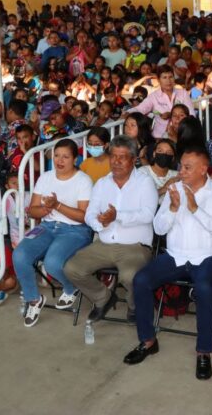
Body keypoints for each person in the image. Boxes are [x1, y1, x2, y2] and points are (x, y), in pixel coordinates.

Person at [123, 147, 212, 381]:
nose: (181, 171)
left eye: (187, 167)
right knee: (140, 280)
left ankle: (204, 351)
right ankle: (148, 340)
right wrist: (172, 208)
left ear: (204, 169)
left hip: (208, 256)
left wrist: (194, 208)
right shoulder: (174, 189)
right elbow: (159, 228)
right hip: (176, 255)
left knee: (204, 288)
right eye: (181, 165)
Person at [64, 135, 158, 324]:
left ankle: (134, 307)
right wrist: (100, 223)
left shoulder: (144, 182)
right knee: (71, 268)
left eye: (122, 157)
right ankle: (103, 298)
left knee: (130, 276)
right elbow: (90, 213)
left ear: (133, 159)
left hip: (135, 246)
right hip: (104, 243)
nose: (116, 162)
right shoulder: (102, 183)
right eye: (113, 156)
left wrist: (118, 216)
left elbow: (148, 214)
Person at [12, 139, 94, 327]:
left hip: (75, 230)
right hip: (47, 226)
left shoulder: (83, 180)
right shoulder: (46, 177)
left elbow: (83, 217)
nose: (60, 160)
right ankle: (33, 300)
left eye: (66, 156)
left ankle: (71, 287)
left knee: (52, 263)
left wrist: (57, 205)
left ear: (75, 159)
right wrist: (47, 209)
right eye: (57, 155)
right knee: (20, 255)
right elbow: (32, 210)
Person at [124, 65, 193, 139]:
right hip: (159, 137)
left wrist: (171, 115)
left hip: (182, 135)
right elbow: (140, 109)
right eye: (164, 77)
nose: (168, 81)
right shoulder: (154, 96)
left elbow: (191, 114)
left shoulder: (183, 93)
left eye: (171, 77)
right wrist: (128, 113)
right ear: (158, 80)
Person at [138, 138, 178, 204]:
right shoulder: (143, 172)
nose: (164, 154)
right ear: (154, 154)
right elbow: (139, 198)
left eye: (169, 152)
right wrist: (164, 189)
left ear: (173, 157)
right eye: (160, 151)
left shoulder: (177, 176)